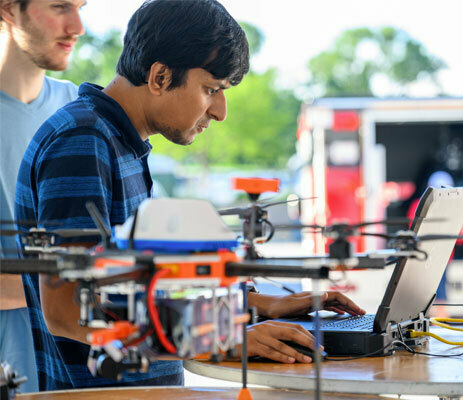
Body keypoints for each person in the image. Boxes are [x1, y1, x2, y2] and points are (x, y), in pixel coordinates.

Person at [14, 0, 365, 391]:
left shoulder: (119, 140)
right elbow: (66, 311)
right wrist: (222, 340)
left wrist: (252, 304)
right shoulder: (83, 142)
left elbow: (135, 287)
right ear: (160, 77)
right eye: (211, 89)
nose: (221, 111)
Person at [0, 0, 85, 393]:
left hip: (68, 365)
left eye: (81, 7)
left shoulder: (79, 112)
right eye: (60, 6)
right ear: (7, 9)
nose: (77, 26)